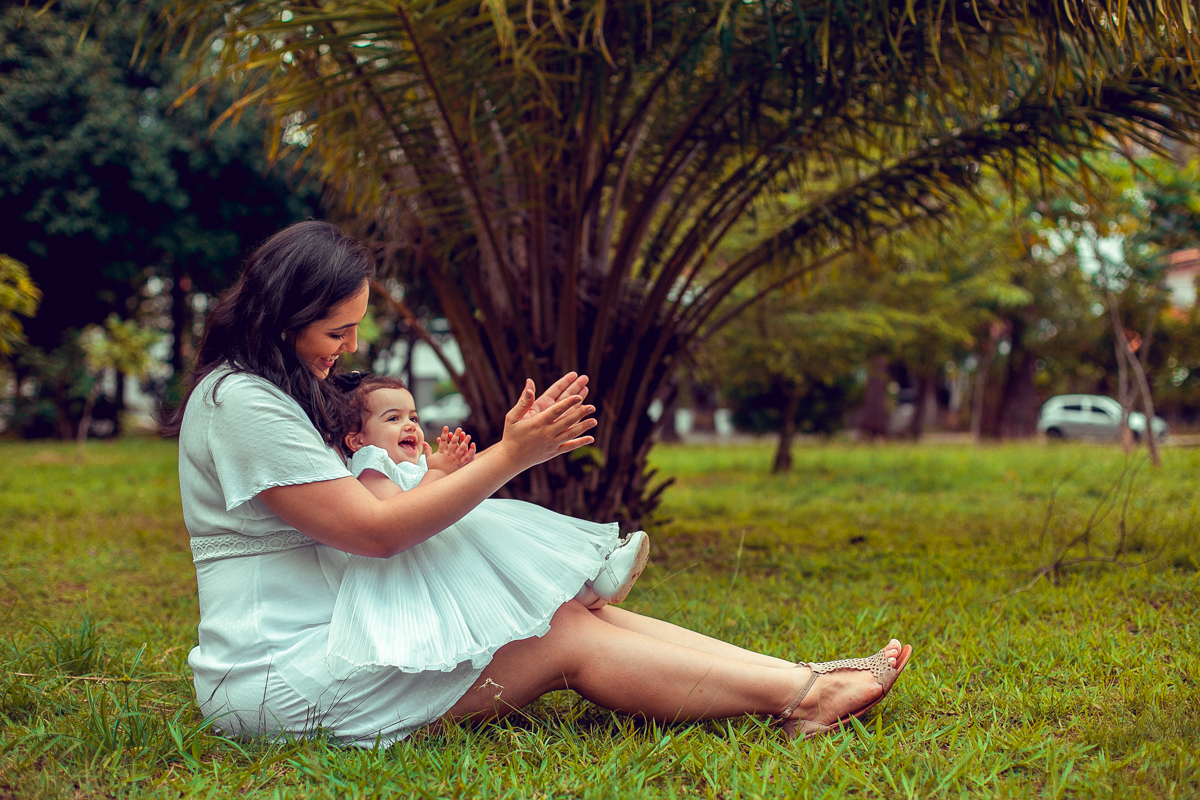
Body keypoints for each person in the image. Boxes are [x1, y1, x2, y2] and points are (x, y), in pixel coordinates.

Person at [170, 219, 912, 747]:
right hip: (278, 678)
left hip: (332, 638)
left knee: (563, 610)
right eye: (337, 331)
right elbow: (374, 532)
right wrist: (513, 454)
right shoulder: (240, 403)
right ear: (284, 314)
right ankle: (805, 697)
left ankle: (806, 680)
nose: (351, 348)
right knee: (560, 637)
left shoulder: (268, 391)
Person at [322, 374, 652, 678]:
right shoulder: (371, 464)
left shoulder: (412, 461)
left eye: (413, 417)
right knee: (500, 533)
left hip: (439, 553)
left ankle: (590, 588)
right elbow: (398, 512)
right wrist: (439, 472)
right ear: (356, 440)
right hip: (410, 569)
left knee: (510, 532)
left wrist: (452, 466)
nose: (409, 426)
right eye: (393, 418)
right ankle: (591, 580)